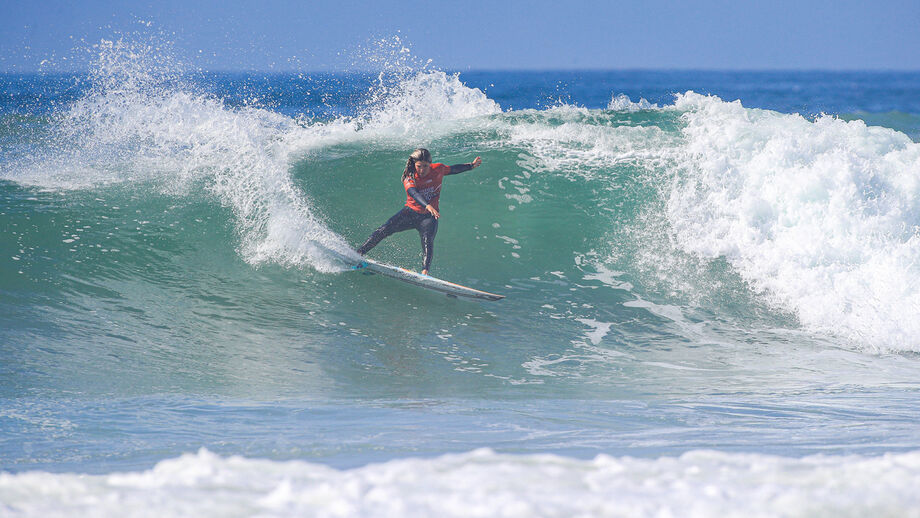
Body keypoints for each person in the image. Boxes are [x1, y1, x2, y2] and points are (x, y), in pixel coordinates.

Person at [356, 148, 483, 275]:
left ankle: (424, 273)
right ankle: (358, 254)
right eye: (419, 166)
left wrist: (471, 166)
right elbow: (414, 193)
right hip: (410, 214)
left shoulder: (438, 169)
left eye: (425, 166)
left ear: (430, 164)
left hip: (428, 217)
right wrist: (427, 205)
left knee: (428, 242)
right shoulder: (409, 177)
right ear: (414, 165)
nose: (422, 170)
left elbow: (453, 169)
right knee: (383, 230)